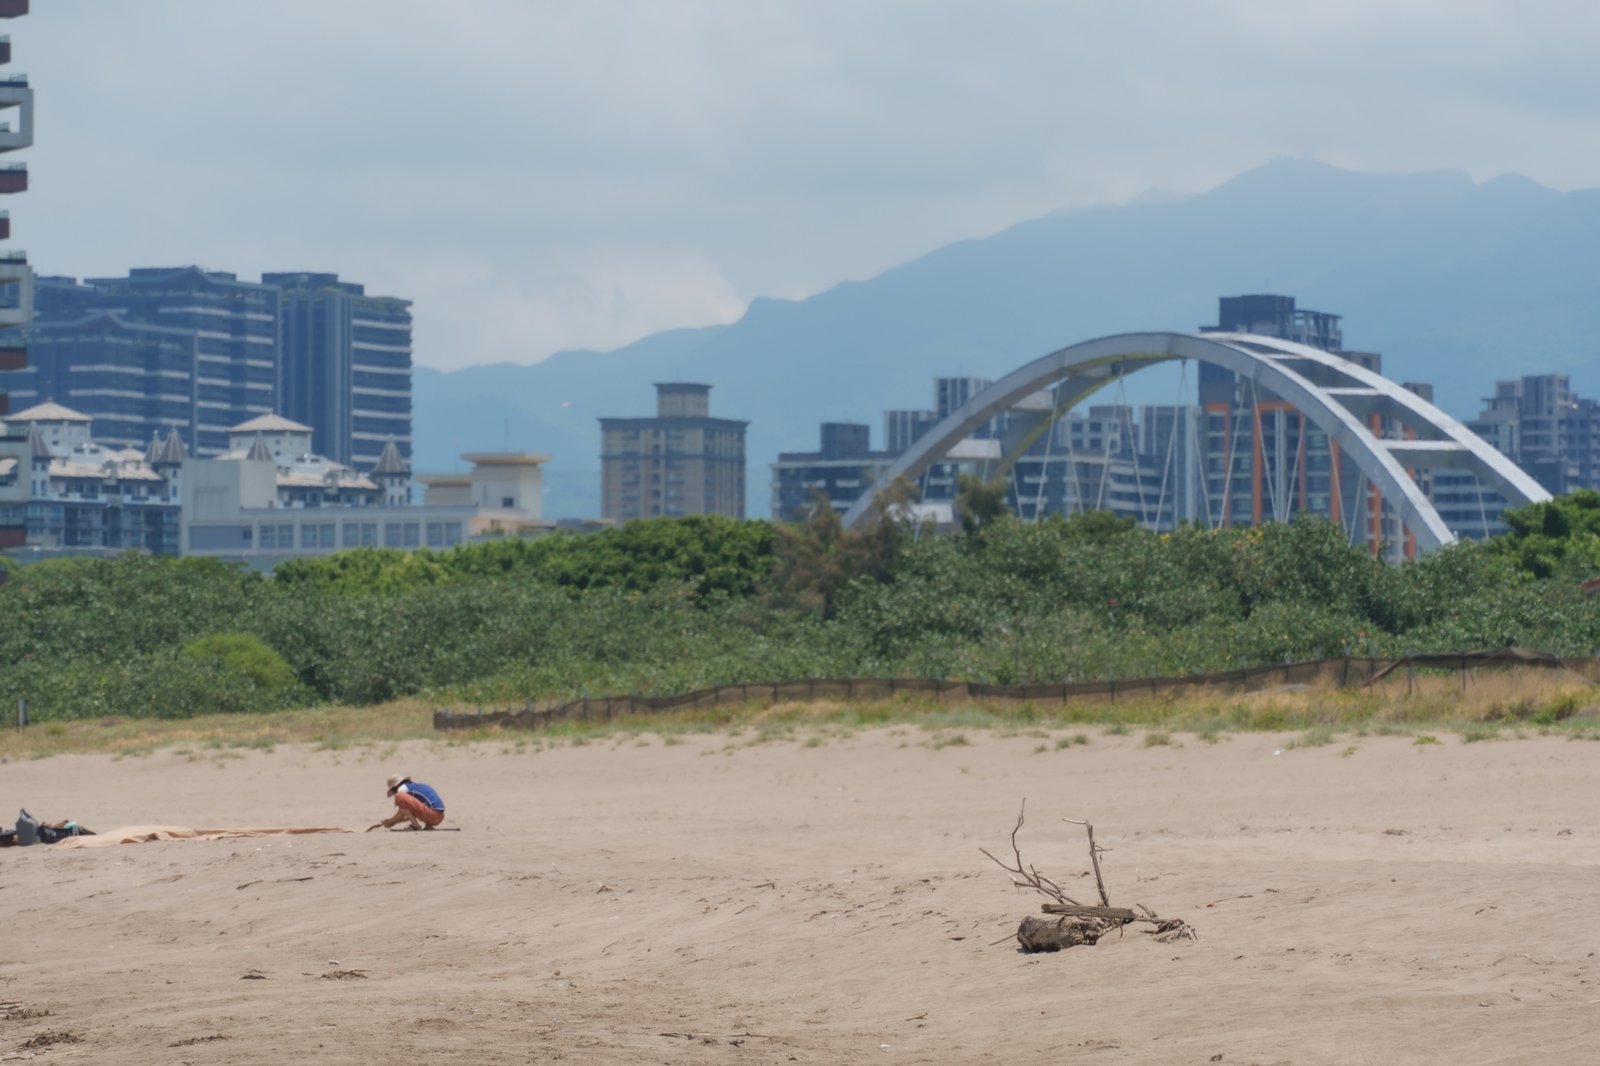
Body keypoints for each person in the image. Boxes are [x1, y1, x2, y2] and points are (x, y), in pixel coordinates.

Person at [367, 773, 446, 831]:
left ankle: (416, 826)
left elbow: (401, 814)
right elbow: (410, 814)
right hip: (439, 817)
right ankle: (428, 826)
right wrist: (394, 821)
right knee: (407, 803)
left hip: (432, 815)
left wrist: (390, 821)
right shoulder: (414, 788)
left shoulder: (402, 789)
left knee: (399, 797)